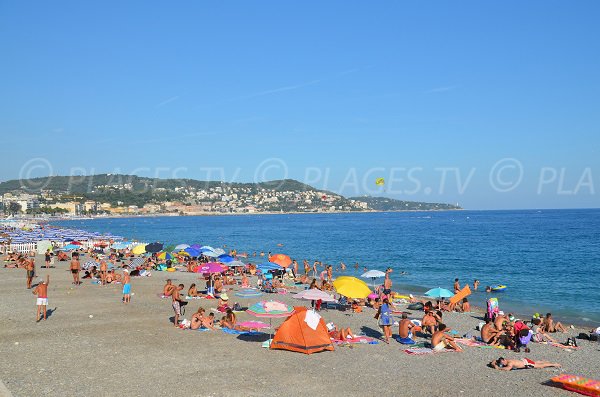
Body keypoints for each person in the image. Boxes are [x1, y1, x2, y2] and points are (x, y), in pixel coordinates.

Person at [490, 357, 560, 371]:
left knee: (540, 366)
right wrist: (494, 363)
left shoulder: (509, 363)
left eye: (503, 362)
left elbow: (508, 369)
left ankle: (553, 364)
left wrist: (498, 368)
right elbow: (494, 360)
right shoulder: (506, 359)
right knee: (535, 362)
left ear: (504, 360)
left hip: (526, 363)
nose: (504, 364)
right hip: (524, 360)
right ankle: (544, 361)